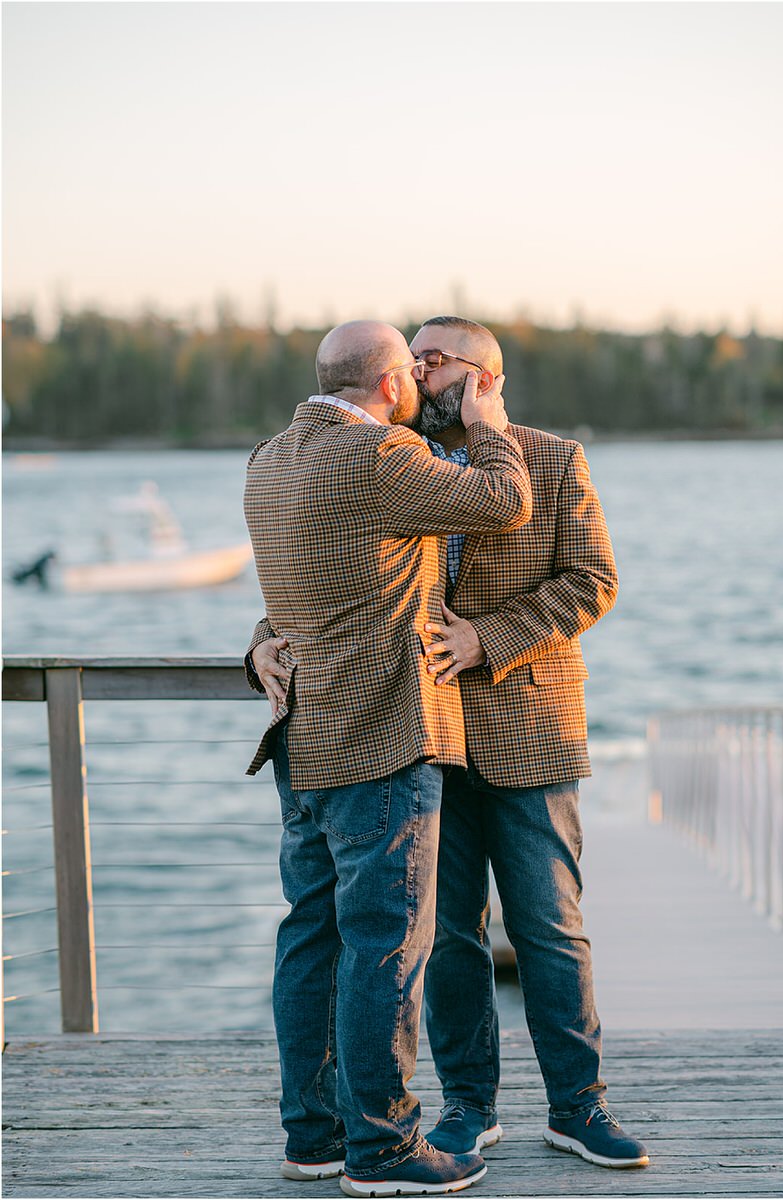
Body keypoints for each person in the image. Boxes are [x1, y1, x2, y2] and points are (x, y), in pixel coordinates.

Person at [243, 319, 532, 1198]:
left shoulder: (267, 458)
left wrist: (260, 642)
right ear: (389, 381)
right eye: (413, 369)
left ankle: (315, 1137)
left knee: (310, 939)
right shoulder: (377, 459)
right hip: (381, 738)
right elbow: (503, 502)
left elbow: (308, 581)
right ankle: (381, 1149)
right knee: (384, 949)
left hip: (304, 739)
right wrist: (484, 421)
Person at [406, 315, 649, 1171]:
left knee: (551, 927)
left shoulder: (553, 459)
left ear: (482, 378)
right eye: (410, 356)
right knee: (451, 936)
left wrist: (488, 638)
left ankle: (578, 1108)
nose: (414, 371)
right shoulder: (387, 459)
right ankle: (467, 1107)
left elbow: (593, 582)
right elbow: (317, 569)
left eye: (431, 361)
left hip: (531, 729)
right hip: (424, 735)